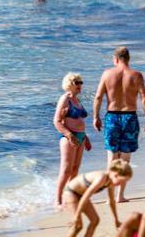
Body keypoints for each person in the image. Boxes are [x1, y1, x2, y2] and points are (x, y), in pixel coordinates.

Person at [93, 47, 145, 202]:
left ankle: (110, 197)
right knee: (125, 159)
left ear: (115, 59)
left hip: (112, 117)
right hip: (130, 117)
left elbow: (99, 97)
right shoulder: (136, 75)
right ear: (128, 59)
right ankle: (120, 195)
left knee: (111, 158)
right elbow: (144, 99)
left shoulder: (107, 74)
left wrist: (96, 117)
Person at [65, 160, 133, 237]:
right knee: (77, 225)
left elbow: (112, 202)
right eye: (121, 181)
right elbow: (86, 197)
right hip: (71, 193)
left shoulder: (110, 182)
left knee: (95, 220)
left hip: (81, 195)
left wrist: (116, 220)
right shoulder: (101, 177)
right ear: (115, 175)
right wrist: (76, 216)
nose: (121, 184)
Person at [55, 73, 91, 206]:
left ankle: (70, 195)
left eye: (81, 82)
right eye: (77, 82)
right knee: (66, 170)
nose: (80, 85)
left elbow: (79, 121)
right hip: (68, 137)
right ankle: (57, 199)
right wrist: (69, 135)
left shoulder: (77, 100)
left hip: (80, 137)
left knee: (75, 169)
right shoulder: (65, 99)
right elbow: (57, 121)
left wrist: (86, 138)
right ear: (69, 84)